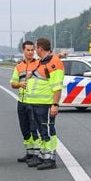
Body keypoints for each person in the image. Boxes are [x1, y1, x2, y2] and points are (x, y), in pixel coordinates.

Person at [25, 38, 64, 170]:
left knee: (48, 131)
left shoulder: (54, 63)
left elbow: (57, 86)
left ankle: (50, 159)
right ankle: (43, 156)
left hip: (46, 104)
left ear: (40, 48)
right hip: (37, 103)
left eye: (36, 47)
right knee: (42, 131)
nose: (35, 50)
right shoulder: (43, 62)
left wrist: (55, 104)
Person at [10, 40, 41, 166]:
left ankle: (37, 154)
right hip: (21, 102)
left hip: (33, 102)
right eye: (27, 50)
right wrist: (20, 84)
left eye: (32, 50)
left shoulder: (39, 64)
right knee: (25, 129)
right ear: (23, 51)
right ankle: (29, 153)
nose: (30, 52)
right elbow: (13, 83)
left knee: (34, 129)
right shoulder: (18, 66)